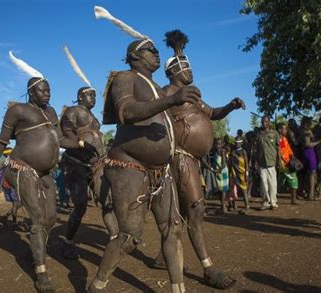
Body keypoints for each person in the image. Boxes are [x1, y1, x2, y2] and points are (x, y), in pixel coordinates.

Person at [88, 9, 201, 291]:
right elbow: (127, 112)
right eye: (150, 50)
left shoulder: (157, 88)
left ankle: (178, 289)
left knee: (174, 227)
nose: (156, 54)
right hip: (129, 166)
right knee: (129, 237)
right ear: (135, 56)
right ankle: (97, 286)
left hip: (160, 172)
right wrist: (170, 99)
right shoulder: (125, 78)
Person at [0, 52, 92, 292]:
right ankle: (41, 274)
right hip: (22, 168)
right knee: (36, 217)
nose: (48, 93)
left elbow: (61, 140)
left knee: (50, 218)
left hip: (46, 173)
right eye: (43, 90)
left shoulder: (52, 112)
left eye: (49, 90)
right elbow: (2, 142)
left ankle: (33, 249)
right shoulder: (18, 110)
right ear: (31, 92)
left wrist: (84, 145)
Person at [150, 29, 243, 289]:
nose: (190, 72)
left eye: (190, 68)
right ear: (172, 72)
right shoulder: (167, 91)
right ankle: (207, 268)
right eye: (184, 68)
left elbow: (212, 113)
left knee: (181, 211)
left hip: (190, 159)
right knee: (195, 209)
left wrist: (231, 106)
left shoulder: (192, 93)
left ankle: (162, 256)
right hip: (179, 158)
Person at [60, 86, 115, 260]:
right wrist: (82, 144)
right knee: (80, 206)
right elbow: (65, 137)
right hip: (76, 164)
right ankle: (68, 243)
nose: (93, 97)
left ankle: (115, 237)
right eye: (90, 95)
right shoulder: (72, 111)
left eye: (94, 95)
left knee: (107, 200)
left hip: (96, 164)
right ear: (80, 96)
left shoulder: (94, 118)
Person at [300, 116, 321, 201]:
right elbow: (308, 144)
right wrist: (320, 141)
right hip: (309, 152)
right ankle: (311, 194)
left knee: (309, 173)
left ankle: (308, 192)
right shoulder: (306, 132)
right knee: (312, 173)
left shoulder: (306, 131)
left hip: (308, 152)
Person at [257, 116, 281, 210]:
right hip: (262, 162)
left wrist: (279, 160)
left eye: (266, 121)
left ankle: (273, 202)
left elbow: (278, 148)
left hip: (272, 161)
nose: (264, 123)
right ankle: (266, 202)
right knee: (263, 184)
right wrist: (255, 160)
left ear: (269, 122)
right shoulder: (258, 134)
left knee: (272, 183)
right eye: (262, 121)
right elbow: (256, 149)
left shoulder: (275, 133)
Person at [277, 123, 299, 205]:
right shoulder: (280, 139)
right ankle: (293, 200)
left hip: (287, 162)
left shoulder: (284, 138)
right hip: (285, 163)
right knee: (293, 179)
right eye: (284, 129)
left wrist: (292, 156)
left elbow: (288, 149)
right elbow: (280, 151)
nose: (286, 130)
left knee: (280, 181)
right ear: (280, 130)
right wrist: (285, 161)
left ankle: (272, 196)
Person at [229, 138, 250, 214]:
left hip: (242, 173)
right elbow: (231, 163)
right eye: (236, 143)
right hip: (234, 173)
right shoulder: (233, 152)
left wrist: (247, 173)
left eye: (239, 143)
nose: (237, 144)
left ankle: (247, 206)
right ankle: (234, 206)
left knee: (244, 190)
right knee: (233, 190)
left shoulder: (243, 151)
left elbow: (246, 163)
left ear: (241, 143)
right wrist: (231, 173)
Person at [212, 138, 230, 212]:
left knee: (223, 190)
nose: (217, 145)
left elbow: (223, 164)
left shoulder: (223, 151)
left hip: (223, 172)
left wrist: (217, 171)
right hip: (218, 172)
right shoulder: (215, 152)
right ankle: (222, 205)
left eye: (219, 144)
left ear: (222, 144)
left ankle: (223, 206)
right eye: (216, 144)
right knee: (219, 189)